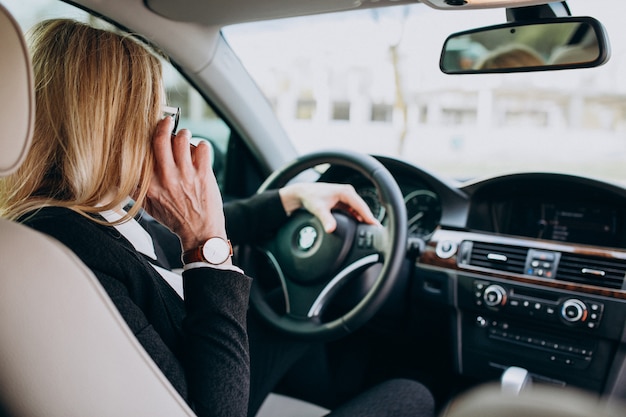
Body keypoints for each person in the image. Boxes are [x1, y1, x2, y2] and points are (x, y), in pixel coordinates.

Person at [0, 19, 435, 417]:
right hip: (198, 396)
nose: (165, 131)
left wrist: (288, 199)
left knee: (289, 315)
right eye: (158, 116)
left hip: (182, 373)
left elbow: (165, 242)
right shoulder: (77, 247)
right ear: (117, 129)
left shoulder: (76, 216)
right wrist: (205, 240)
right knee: (413, 394)